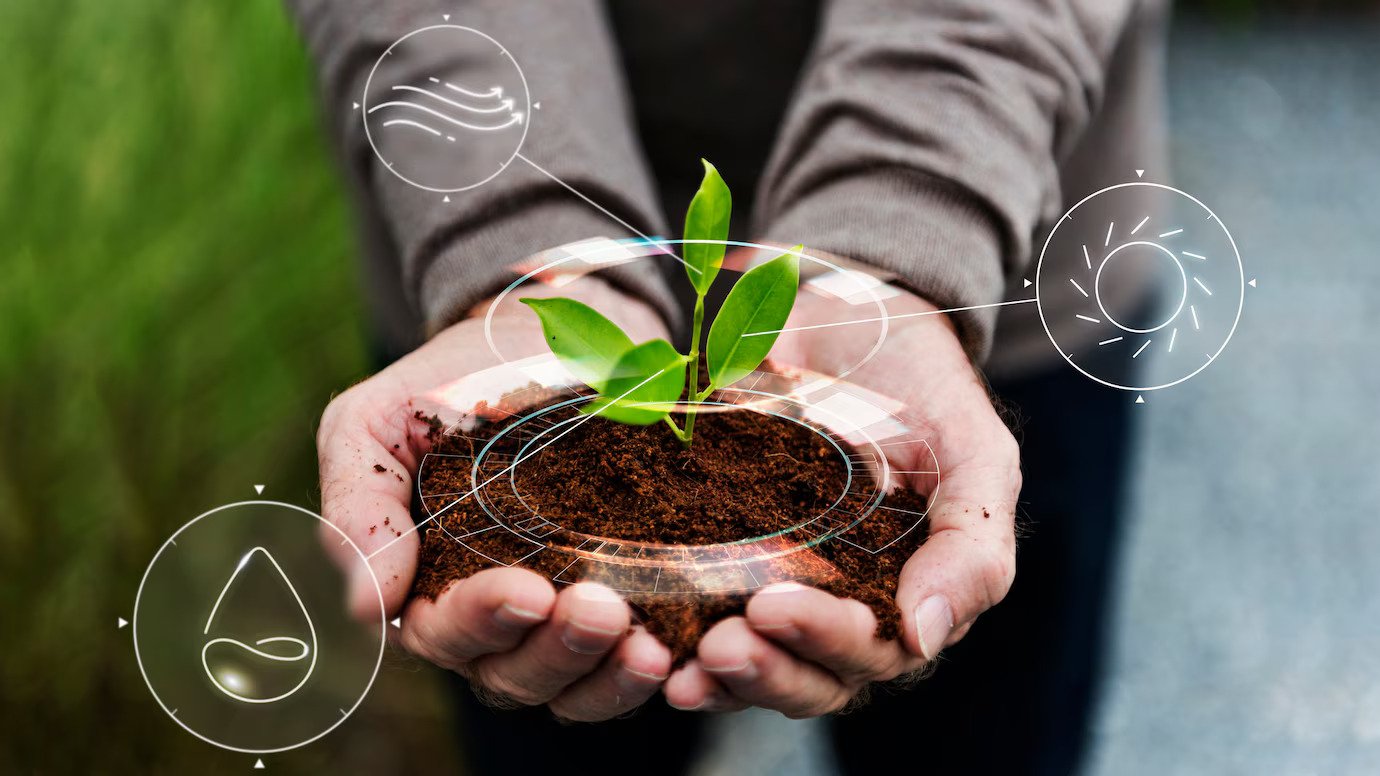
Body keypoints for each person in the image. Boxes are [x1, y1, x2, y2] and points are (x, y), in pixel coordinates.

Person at [291, 1, 1168, 773]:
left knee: (979, 728)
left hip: (990, 232)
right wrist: (521, 230)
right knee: (552, 701)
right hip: (486, 284)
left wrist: (908, 219)